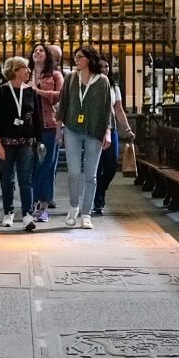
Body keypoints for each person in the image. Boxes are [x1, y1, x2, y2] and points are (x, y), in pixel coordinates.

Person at [58, 46, 114, 229]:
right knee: (74, 172)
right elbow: (63, 103)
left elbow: (107, 109)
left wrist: (107, 131)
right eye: (75, 56)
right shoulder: (70, 78)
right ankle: (73, 207)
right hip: (72, 129)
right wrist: (59, 128)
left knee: (91, 175)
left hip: (94, 130)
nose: (76, 59)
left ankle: (86, 213)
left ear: (89, 59)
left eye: (80, 56)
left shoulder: (103, 81)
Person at [0, 56, 41, 230]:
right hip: (6, 142)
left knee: (26, 179)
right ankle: (8, 212)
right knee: (7, 179)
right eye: (25, 67)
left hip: (26, 142)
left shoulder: (31, 91)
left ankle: (27, 214)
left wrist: (39, 141)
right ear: (16, 70)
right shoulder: (0, 91)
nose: (29, 71)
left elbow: (37, 118)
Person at [92, 58, 134, 215]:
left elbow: (118, 110)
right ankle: (97, 199)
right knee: (97, 166)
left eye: (107, 66)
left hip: (112, 128)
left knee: (110, 165)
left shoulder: (113, 87)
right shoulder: (91, 84)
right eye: (101, 66)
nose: (104, 69)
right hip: (95, 130)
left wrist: (127, 129)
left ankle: (101, 189)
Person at [29, 43, 64, 222]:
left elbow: (60, 96)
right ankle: (32, 202)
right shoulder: (27, 73)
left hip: (49, 125)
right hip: (30, 126)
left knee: (47, 166)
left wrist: (38, 91)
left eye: (41, 50)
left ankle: (43, 206)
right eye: (35, 50)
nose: (37, 52)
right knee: (32, 165)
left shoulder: (55, 75)